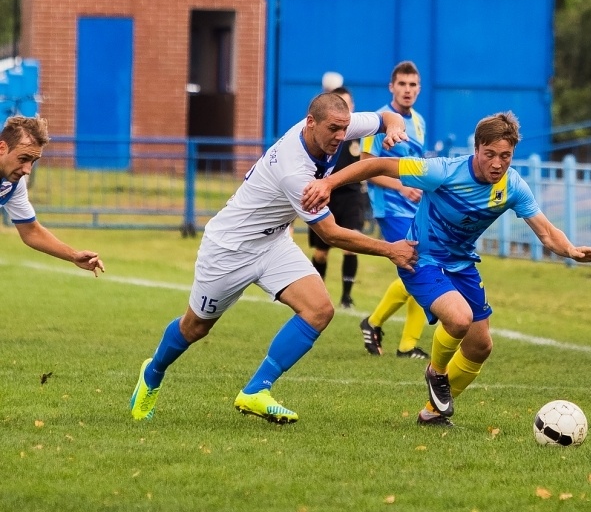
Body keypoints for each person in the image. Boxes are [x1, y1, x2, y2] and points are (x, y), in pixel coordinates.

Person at [129, 92, 416, 424]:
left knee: (319, 310)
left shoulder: (336, 125)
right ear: (311, 123)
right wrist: (390, 250)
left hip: (273, 242)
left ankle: (255, 391)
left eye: (345, 129)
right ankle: (152, 373)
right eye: (334, 129)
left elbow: (385, 119)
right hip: (229, 249)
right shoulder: (294, 170)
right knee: (194, 328)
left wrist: (394, 127)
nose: (341, 136)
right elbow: (331, 234)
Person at [302, 111, 591, 427]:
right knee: (459, 319)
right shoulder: (442, 171)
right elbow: (376, 165)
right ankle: (436, 372)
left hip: (462, 266)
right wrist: (329, 183)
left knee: (480, 345)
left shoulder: (512, 185)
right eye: (490, 155)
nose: (498, 164)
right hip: (421, 260)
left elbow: (545, 230)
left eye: (506, 156)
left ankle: (432, 414)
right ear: (476, 149)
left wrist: (570, 249)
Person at [358, 60, 430, 359]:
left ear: (419, 88)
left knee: (423, 267)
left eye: (413, 85)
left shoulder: (420, 122)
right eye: (402, 84)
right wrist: (401, 187)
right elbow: (364, 167)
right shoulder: (378, 121)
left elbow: (417, 167)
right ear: (392, 87)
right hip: (390, 207)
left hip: (415, 207)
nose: (407, 90)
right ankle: (400, 341)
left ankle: (383, 329)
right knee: (419, 266)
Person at [0, 116, 104, 276]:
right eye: (23, 159)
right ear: (2, 148)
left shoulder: (14, 183)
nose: (27, 170)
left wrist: (73, 255)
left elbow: (31, 231)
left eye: (33, 161)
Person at [308, 86, 364, 308]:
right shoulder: (322, 135)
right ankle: (317, 293)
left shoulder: (360, 133)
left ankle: (346, 297)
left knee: (351, 244)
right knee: (321, 253)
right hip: (328, 196)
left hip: (351, 197)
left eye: (347, 104)